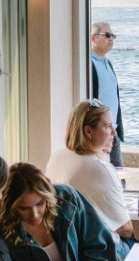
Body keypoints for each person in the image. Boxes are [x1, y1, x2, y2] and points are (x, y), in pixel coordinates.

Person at [0, 161, 118, 261]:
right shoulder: (0, 232)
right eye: (24, 208)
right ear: (10, 206)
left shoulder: (68, 200)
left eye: (40, 203)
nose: (35, 214)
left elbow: (101, 249)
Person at [45, 99, 133, 250]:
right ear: (88, 131)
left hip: (67, 248)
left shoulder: (57, 155)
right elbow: (126, 229)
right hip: (100, 253)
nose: (114, 132)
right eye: (107, 126)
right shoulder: (100, 168)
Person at [87, 21, 125, 167]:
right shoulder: (88, 63)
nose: (111, 39)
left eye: (113, 36)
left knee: (119, 178)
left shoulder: (107, 63)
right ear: (93, 38)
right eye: (107, 35)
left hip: (112, 132)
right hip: (98, 133)